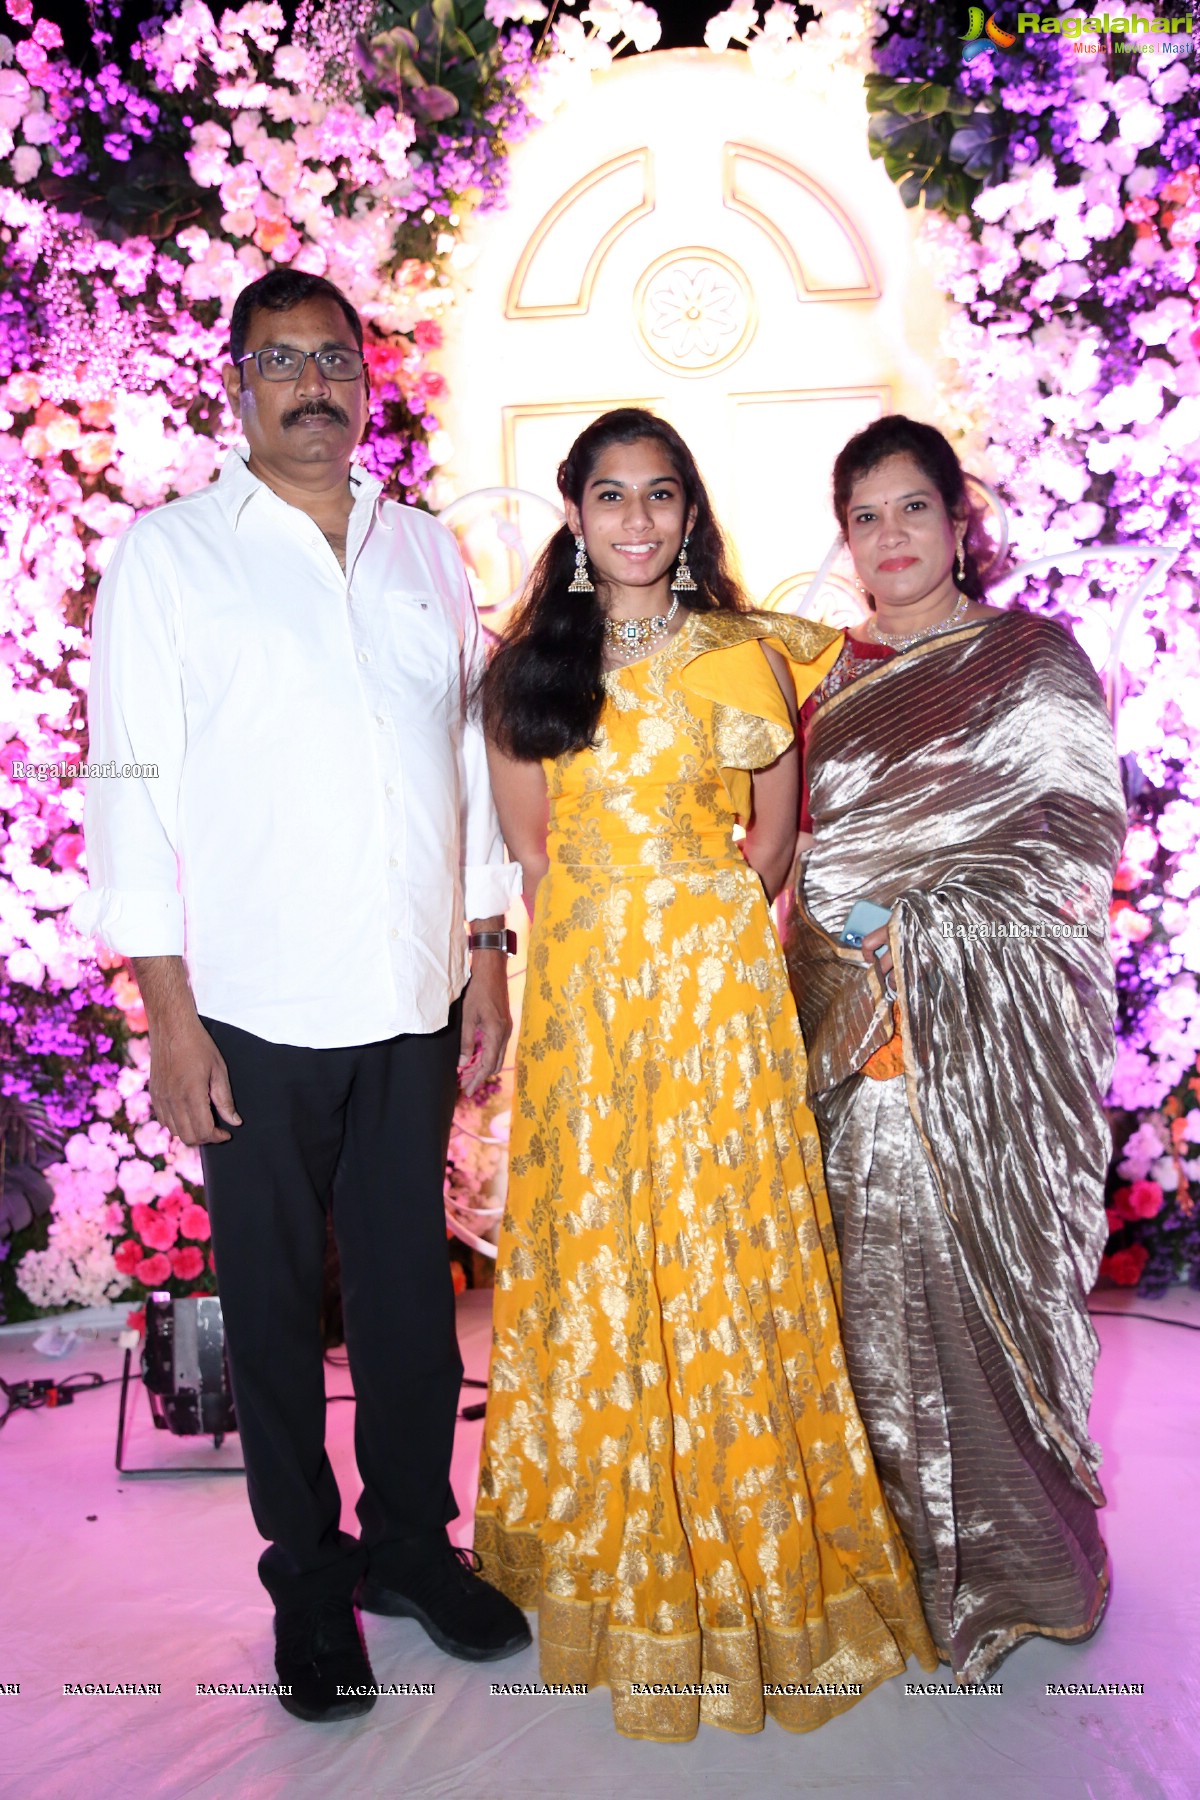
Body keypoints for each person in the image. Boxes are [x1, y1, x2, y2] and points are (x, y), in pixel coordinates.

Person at [72, 268, 531, 1722]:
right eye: (282, 361)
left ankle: (409, 1547)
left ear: (363, 379)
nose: (313, 384)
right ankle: (310, 1582)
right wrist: (166, 1001)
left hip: (406, 992)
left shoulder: (421, 554)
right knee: (271, 1305)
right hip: (251, 1003)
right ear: (238, 386)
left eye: (334, 357)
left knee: (409, 1294)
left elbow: (464, 754)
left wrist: (484, 949)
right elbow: (128, 777)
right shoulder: (173, 555)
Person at [472, 407, 937, 1742]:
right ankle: (612, 1563)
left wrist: (707, 957)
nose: (634, 518)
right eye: (609, 494)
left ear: (689, 514)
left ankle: (753, 1559)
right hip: (591, 999)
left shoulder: (741, 656)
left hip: (718, 989)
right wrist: (586, 984)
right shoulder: (528, 670)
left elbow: (774, 844)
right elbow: (536, 859)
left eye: (659, 494)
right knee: (608, 1250)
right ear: (576, 514)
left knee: (729, 1253)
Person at [785, 414, 1127, 1685]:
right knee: (874, 1304)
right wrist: (844, 946)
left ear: (956, 518)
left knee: (972, 1289)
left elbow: (1071, 845)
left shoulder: (1033, 664)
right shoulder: (832, 685)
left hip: (979, 1042)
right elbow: (804, 856)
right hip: (852, 1042)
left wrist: (914, 933)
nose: (890, 538)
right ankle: (900, 1572)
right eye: (865, 517)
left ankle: (1021, 1566)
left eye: (911, 509)